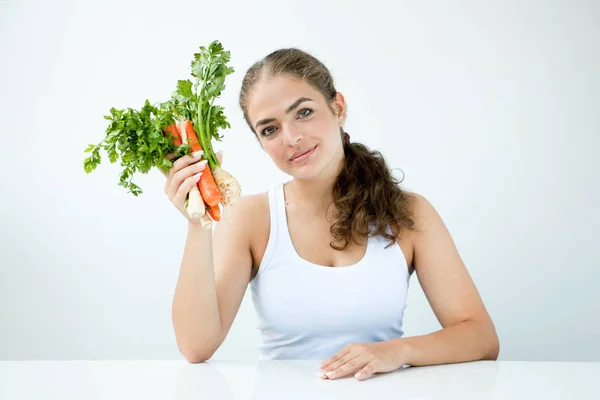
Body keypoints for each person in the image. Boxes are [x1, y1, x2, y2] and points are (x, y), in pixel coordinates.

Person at [165, 47, 500, 381]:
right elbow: (196, 346)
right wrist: (198, 223)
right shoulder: (252, 218)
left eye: (304, 112)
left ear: (338, 107)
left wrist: (399, 351)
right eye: (269, 129)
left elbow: (480, 338)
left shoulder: (409, 213)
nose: (292, 138)